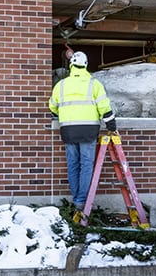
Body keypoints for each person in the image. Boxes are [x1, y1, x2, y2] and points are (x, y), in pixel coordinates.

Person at [48, 51, 117, 224]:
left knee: (72, 164)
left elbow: (53, 107)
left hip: (68, 130)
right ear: (85, 65)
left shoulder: (61, 85)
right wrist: (111, 125)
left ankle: (76, 200)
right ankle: (81, 201)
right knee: (86, 165)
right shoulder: (94, 84)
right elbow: (104, 107)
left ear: (71, 65)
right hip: (88, 130)